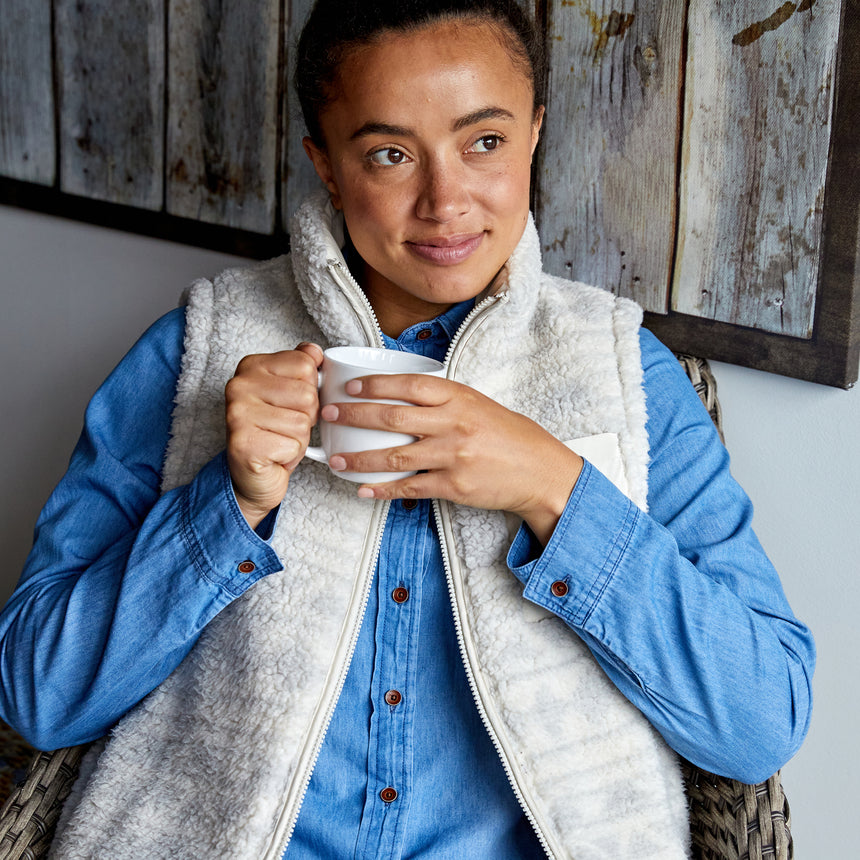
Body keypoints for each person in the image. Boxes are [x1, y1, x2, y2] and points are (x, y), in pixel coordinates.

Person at [0, 0, 814, 857]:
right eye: (390, 155)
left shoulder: (625, 372)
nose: (445, 201)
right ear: (326, 164)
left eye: (485, 142)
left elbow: (761, 722)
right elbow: (37, 696)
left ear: (534, 135)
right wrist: (226, 506)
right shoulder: (197, 354)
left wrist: (555, 488)